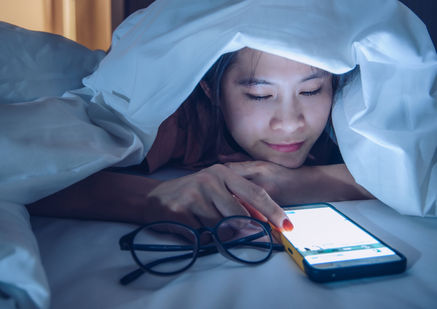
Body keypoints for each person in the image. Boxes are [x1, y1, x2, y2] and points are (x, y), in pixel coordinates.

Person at [26, 47, 374, 231]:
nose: (289, 123)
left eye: (311, 90)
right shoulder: (179, 115)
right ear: (211, 90)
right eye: (258, 95)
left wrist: (304, 183)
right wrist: (151, 199)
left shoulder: (352, 111)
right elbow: (36, 178)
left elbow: (420, 170)